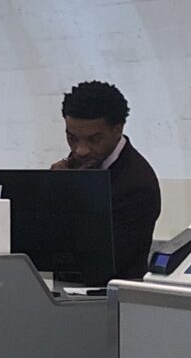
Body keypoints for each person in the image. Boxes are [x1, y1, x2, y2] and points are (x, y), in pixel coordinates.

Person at [55, 79, 162, 281]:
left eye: (94, 139)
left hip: (113, 294)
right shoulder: (79, 164)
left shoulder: (137, 184)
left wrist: (66, 195)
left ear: (118, 129)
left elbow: (101, 260)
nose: (81, 150)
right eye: (72, 138)